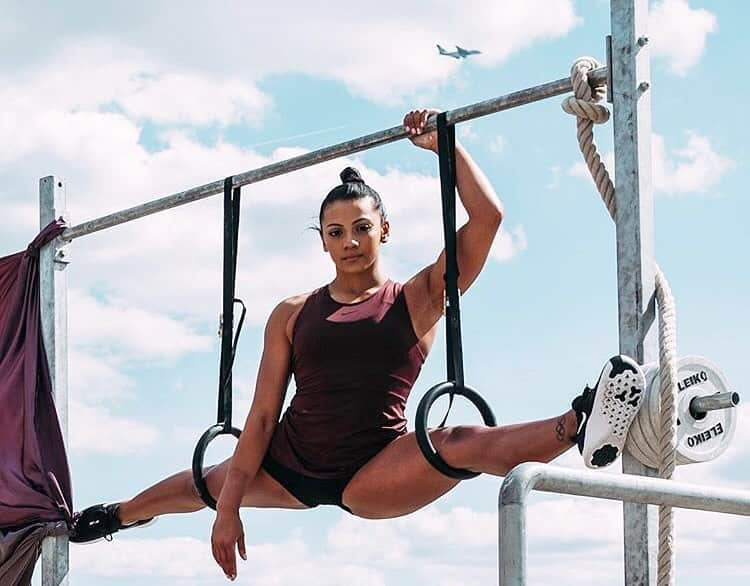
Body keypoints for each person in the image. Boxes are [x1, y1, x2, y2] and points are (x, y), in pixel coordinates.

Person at [70, 109, 646, 581]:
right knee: (201, 485)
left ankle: (578, 423)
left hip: (372, 470)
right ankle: (114, 516)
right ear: (322, 241)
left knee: (457, 441)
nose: (349, 242)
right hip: (287, 463)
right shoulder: (292, 313)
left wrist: (443, 149)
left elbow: (488, 217)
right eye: (336, 232)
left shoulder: (418, 296)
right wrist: (227, 509)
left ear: (384, 230)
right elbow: (263, 415)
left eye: (362, 228)